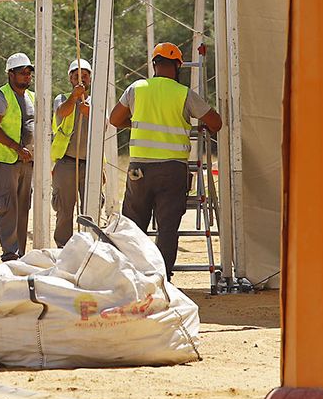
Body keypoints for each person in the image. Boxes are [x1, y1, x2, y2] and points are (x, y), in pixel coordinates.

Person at [108, 42, 223, 278]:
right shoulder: (184, 94)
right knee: (168, 227)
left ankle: (133, 276)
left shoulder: (136, 88)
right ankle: (161, 278)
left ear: (154, 64)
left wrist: (135, 122)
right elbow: (216, 123)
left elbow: (115, 119)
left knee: (134, 226)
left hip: (139, 169)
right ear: (178, 65)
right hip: (172, 171)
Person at [0, 51, 36, 261]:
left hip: (27, 161)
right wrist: (16, 148)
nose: (26, 76)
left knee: (23, 207)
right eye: (22, 73)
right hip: (5, 161)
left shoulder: (31, 97)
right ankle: (10, 253)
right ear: (11, 74)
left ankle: (21, 253)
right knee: (7, 208)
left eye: (29, 73)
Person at [51, 58, 91, 247]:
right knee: (65, 209)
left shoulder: (97, 101)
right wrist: (74, 98)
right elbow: (61, 113)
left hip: (90, 163)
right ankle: (63, 247)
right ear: (70, 79)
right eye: (77, 76)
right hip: (66, 163)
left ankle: (90, 244)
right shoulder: (62, 98)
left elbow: (105, 125)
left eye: (84, 76)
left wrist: (89, 112)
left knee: (90, 208)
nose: (81, 80)